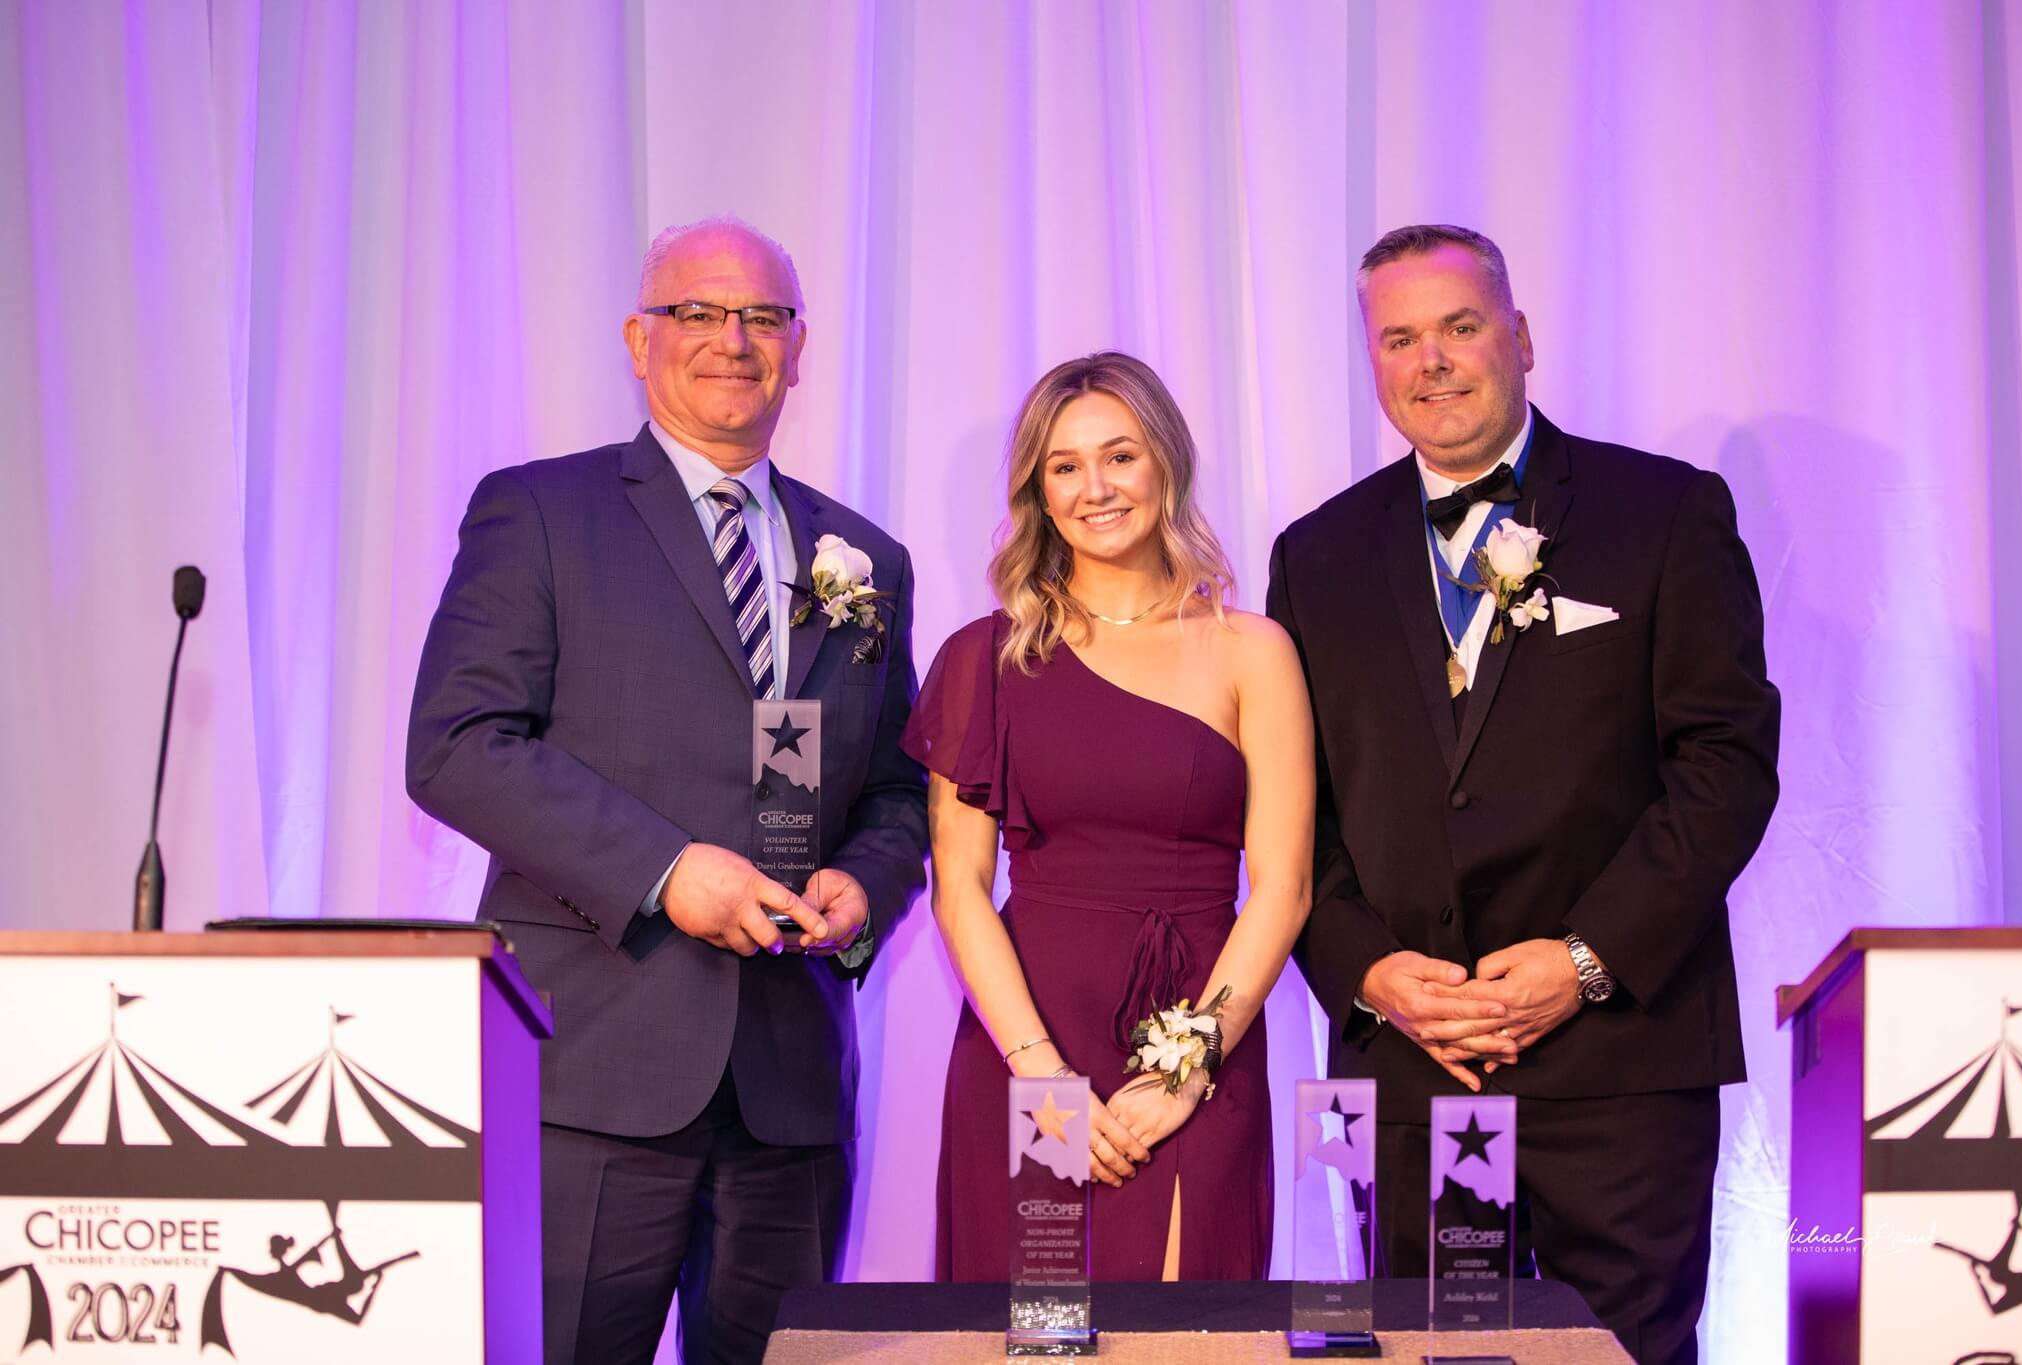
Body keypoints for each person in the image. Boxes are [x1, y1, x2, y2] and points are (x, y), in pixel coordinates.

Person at [406, 216, 928, 1365]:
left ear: (800, 348)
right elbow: (455, 743)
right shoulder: (540, 512)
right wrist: (664, 870)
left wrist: (864, 885)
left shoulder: (865, 557)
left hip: (789, 1085)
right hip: (594, 1072)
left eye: (761, 317)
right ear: (639, 339)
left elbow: (898, 790)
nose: (730, 339)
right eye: (697, 311)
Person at [1268, 224, 1779, 1364]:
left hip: (1619, 1061)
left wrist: (1585, 960)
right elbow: (1301, 815)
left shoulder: (1663, 513)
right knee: (1435, 1358)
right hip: (1415, 1061)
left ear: (1521, 336)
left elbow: (1723, 766)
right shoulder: (1315, 554)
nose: (1431, 361)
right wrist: (1367, 971)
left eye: (1457, 327)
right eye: (1398, 339)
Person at [901, 351, 1313, 1281]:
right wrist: (1041, 1076)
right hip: (1027, 1036)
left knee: (1186, 1334)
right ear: (1039, 495)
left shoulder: (1254, 650)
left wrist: (1187, 1068)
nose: (1096, 487)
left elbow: (1282, 889)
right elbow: (958, 891)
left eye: (1120, 456)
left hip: (1202, 1035)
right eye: (1065, 465)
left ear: (1165, 463)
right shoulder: (983, 658)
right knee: (1026, 1338)